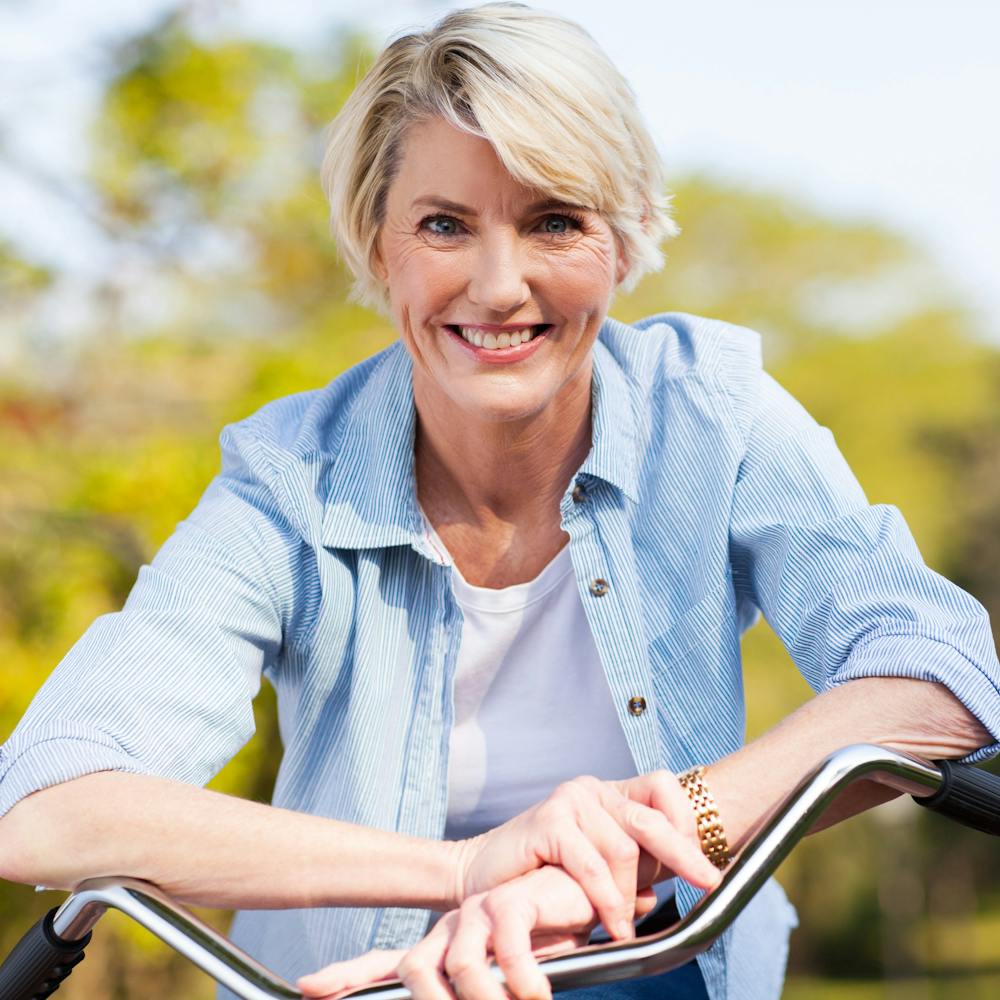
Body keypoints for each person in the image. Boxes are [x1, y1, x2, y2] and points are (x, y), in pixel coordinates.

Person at [0, 4, 998, 1000]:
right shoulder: (286, 481)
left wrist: (640, 840)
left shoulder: (710, 413)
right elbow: (45, 803)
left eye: (553, 220)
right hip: (360, 985)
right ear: (377, 244)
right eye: (444, 224)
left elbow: (937, 667)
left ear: (627, 237)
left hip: (655, 960)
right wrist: (470, 870)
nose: (499, 283)